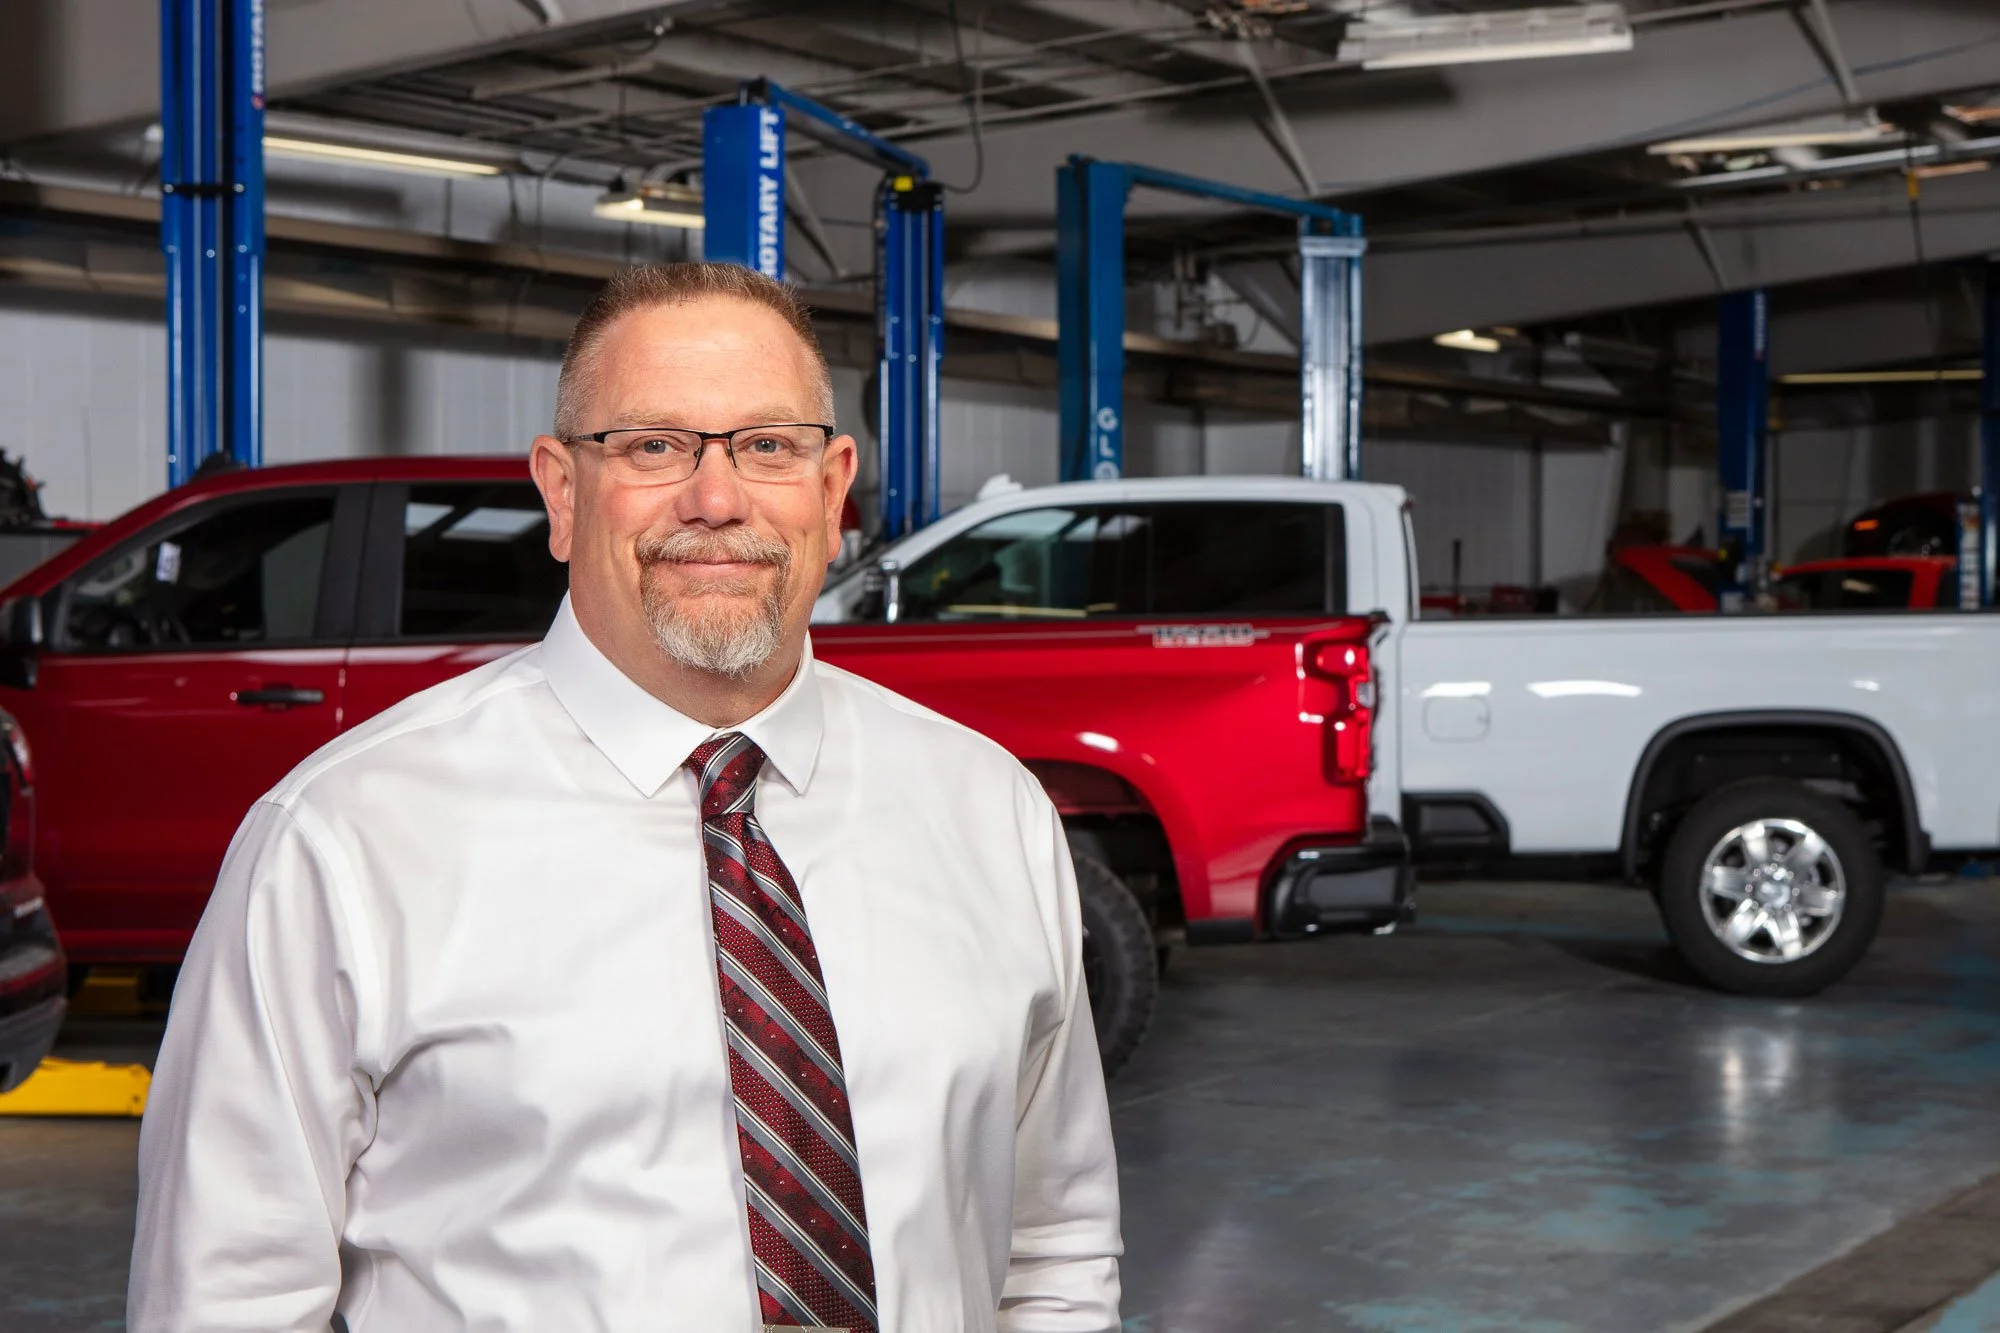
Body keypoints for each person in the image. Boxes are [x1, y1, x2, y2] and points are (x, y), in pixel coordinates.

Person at [128, 262, 1123, 1332]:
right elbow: (225, 1299)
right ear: (561, 491)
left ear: (833, 490)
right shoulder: (342, 841)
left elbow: (1052, 1245)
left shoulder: (988, 812)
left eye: (767, 445)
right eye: (653, 446)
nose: (716, 500)